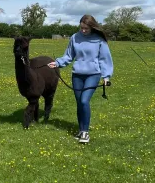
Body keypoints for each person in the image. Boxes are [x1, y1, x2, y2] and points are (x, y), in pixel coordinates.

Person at [47, 14, 113, 143]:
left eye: (86, 28)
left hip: (93, 74)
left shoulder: (99, 40)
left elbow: (105, 59)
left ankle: (85, 133)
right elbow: (69, 55)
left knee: (84, 101)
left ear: (92, 27)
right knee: (79, 103)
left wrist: (106, 76)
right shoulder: (74, 38)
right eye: (81, 28)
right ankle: (81, 130)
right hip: (77, 74)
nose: (83, 31)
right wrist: (58, 63)